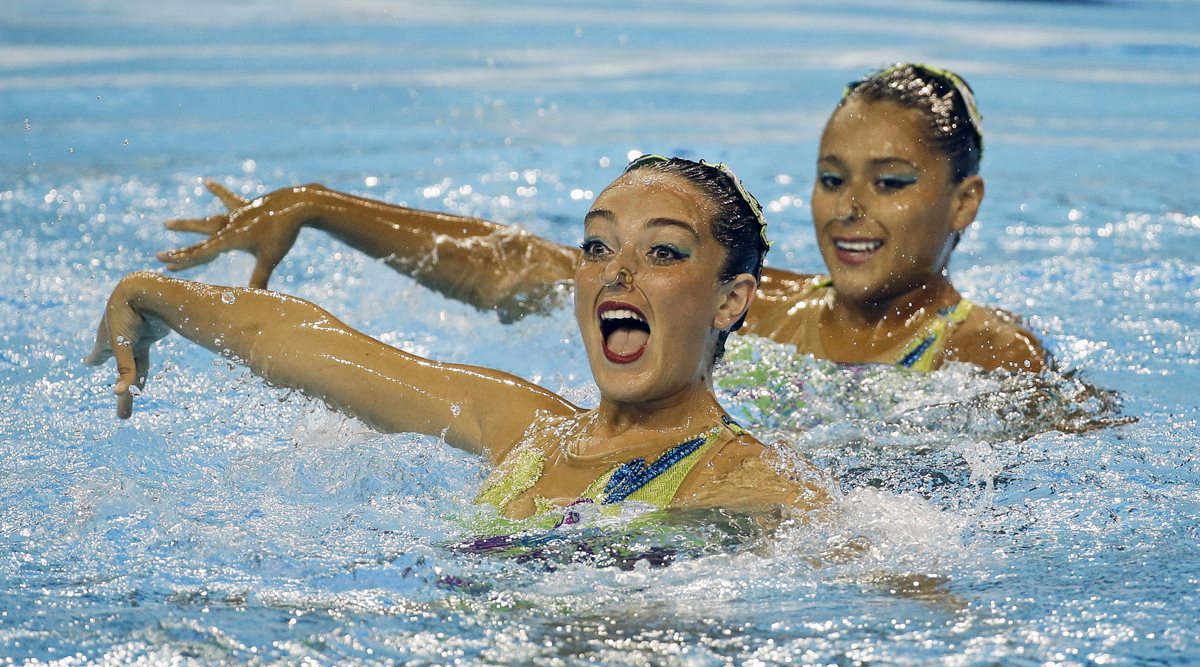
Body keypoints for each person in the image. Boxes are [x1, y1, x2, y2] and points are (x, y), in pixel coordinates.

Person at [157, 64, 1049, 374]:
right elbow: (518, 271)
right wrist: (319, 207)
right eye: (830, 178)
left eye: (890, 182)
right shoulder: (757, 304)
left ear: (963, 201)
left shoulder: (988, 353)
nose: (849, 210)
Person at [87, 155, 830, 521]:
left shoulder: (746, 481)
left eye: (663, 253)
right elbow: (312, 345)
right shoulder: (522, 428)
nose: (617, 275)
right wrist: (152, 294)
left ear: (731, 301)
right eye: (598, 248)